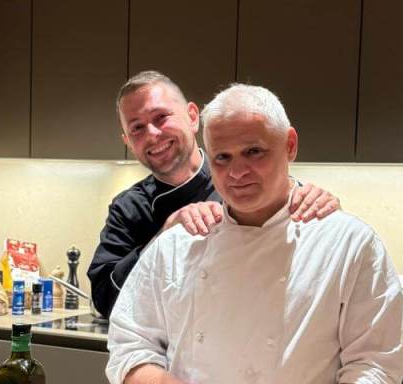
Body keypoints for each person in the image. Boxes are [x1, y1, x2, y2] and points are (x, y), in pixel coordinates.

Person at [105, 84, 403, 384]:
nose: (237, 172)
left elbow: (377, 367)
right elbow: (128, 349)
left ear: (290, 145)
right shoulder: (177, 244)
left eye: (254, 152)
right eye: (222, 158)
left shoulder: (350, 244)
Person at [87, 71, 341, 319]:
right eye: (137, 128)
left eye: (161, 117)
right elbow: (105, 300)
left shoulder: (244, 185)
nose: (152, 134)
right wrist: (164, 236)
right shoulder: (128, 207)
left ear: (192, 117)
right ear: (128, 142)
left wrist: (319, 206)